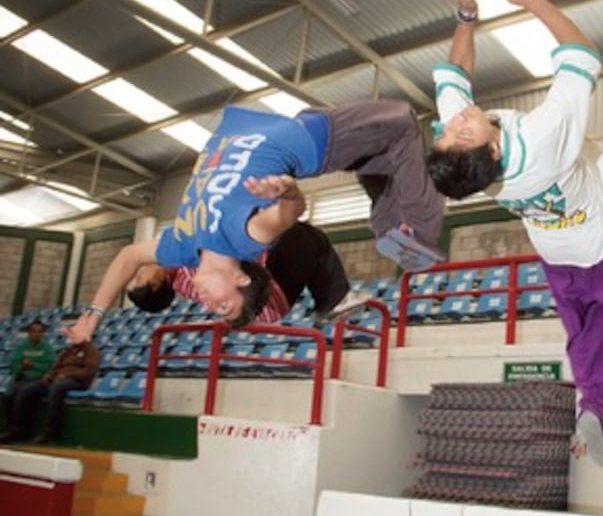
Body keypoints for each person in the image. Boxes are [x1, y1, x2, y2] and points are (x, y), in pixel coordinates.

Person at [426, 0, 603, 472]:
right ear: (492, 147)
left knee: (584, 335)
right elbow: (582, 54)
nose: (455, 122)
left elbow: (454, 78)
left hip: (557, 256)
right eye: (460, 131)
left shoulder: (475, 163)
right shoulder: (541, 138)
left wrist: (465, 18)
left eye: (447, 131)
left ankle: (593, 407)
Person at [66, 99, 445, 344]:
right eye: (225, 307)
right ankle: (418, 231)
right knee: (401, 120)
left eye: (216, 311)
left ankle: (389, 217)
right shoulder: (243, 236)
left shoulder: (181, 248)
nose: (209, 306)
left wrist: (94, 315)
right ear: (239, 278)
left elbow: (129, 257)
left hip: (283, 123)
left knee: (382, 158)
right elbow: (289, 215)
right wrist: (286, 193)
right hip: (317, 139)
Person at [127, 221, 350, 325]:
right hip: (269, 297)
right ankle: (331, 303)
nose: (142, 270)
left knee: (310, 237)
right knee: (296, 234)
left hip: (270, 288)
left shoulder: (179, 267)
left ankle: (329, 304)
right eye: (140, 278)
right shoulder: (187, 278)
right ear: (156, 285)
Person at [0, 339, 99, 444]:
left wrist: (68, 375)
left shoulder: (91, 350)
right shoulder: (67, 351)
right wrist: (49, 375)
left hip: (77, 382)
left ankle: (51, 431)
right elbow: (56, 367)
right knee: (27, 390)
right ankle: (18, 430)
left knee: (55, 388)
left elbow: (89, 371)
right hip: (58, 379)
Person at [2, 320, 55, 435]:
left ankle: (18, 429)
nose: (36, 334)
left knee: (23, 393)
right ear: (29, 333)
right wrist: (22, 367)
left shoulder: (48, 348)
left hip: (39, 380)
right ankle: (9, 426)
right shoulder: (22, 346)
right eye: (34, 331)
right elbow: (14, 365)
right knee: (7, 396)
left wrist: (33, 365)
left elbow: (48, 367)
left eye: (40, 331)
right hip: (23, 378)